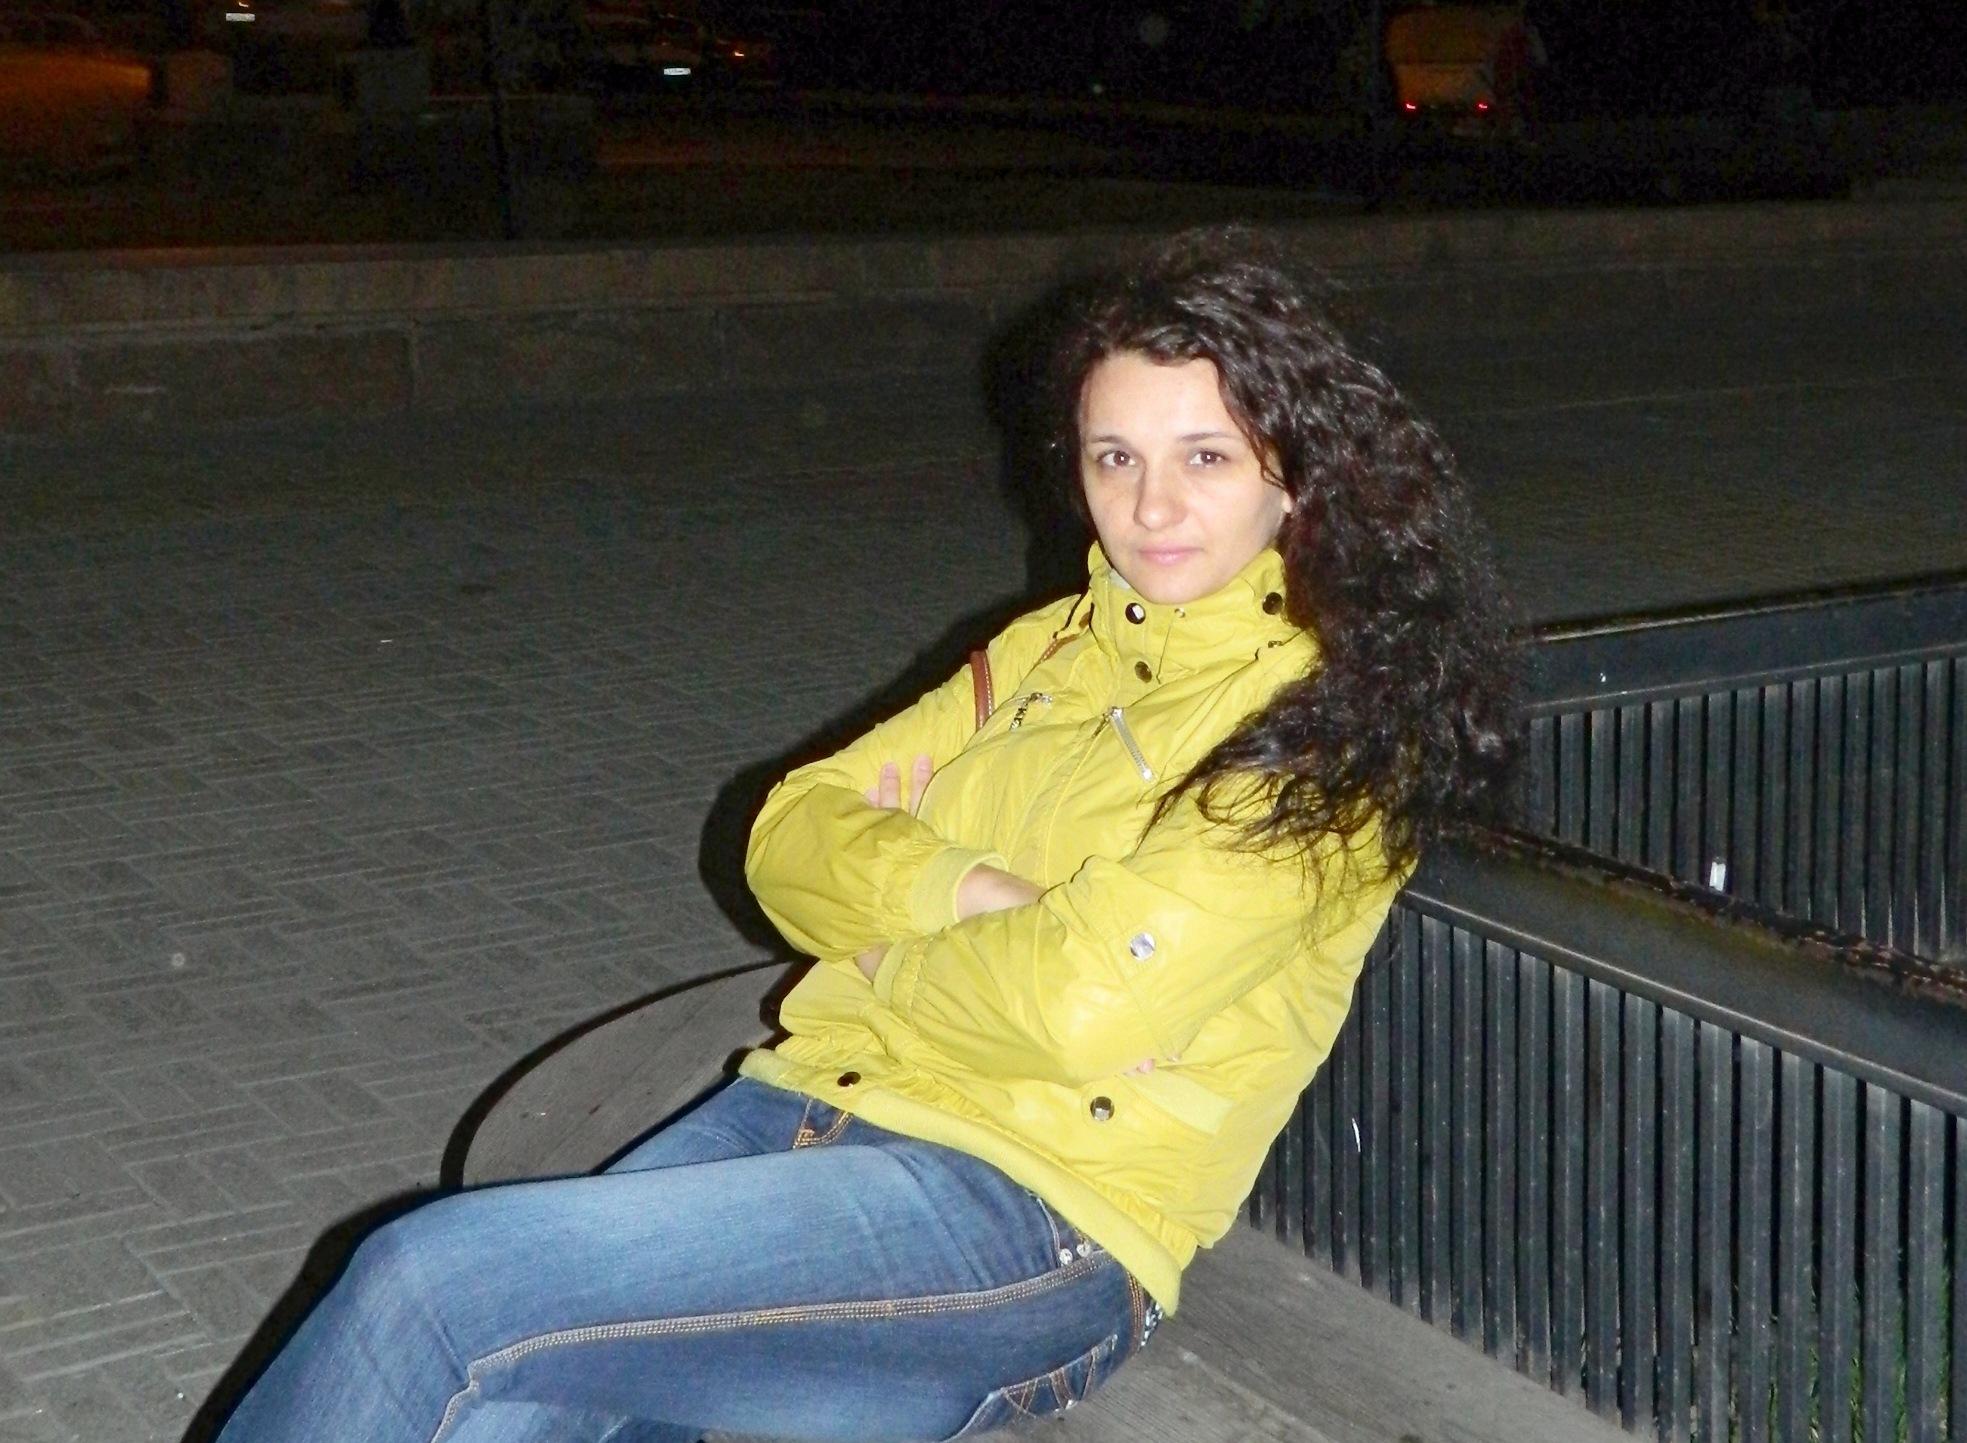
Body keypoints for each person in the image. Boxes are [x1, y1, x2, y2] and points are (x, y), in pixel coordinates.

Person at [212, 230, 1518, 1443]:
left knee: (430, 1283)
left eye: (1206, 458)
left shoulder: (1338, 726)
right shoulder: (1050, 649)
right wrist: (973, 894)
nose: (1151, 506)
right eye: (1115, 457)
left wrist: (879, 946)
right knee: (507, 1416)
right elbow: (787, 836)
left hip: (1030, 1213)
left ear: (1296, 471)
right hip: (804, 1102)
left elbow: (1078, 1009)